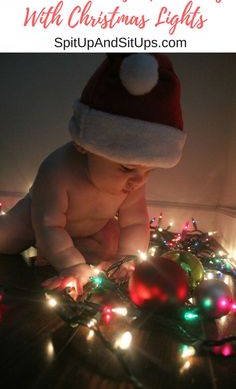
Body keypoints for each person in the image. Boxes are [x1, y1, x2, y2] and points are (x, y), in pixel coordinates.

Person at [0, 53, 186, 296]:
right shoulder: (57, 171)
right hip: (37, 219)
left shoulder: (133, 182)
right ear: (83, 146)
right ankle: (55, 251)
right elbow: (48, 225)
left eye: (148, 170)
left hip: (89, 228)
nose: (139, 180)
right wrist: (72, 265)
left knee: (111, 245)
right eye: (127, 168)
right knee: (7, 239)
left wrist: (128, 259)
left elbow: (135, 223)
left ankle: (59, 252)